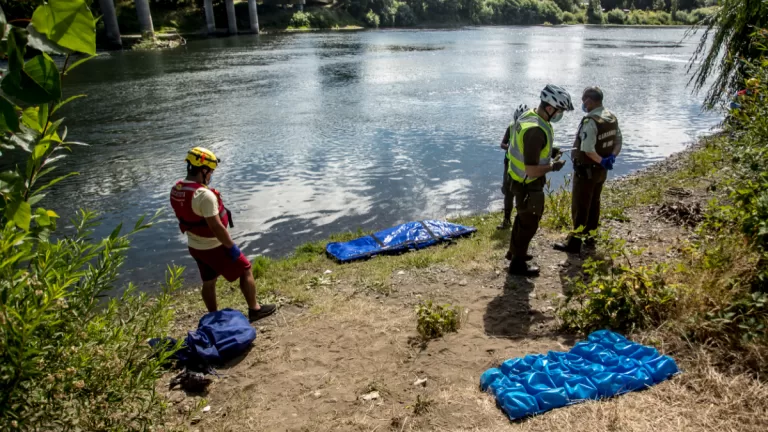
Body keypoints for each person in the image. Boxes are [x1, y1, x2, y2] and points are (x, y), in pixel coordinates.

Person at [170, 147, 276, 322]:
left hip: (194, 246)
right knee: (245, 269)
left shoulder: (177, 188)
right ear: (203, 170)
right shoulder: (204, 195)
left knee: (209, 280)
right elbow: (216, 227)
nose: (211, 175)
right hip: (214, 246)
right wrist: (231, 247)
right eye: (210, 171)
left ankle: (214, 316)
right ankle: (255, 309)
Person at [505, 84, 574, 277]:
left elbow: (525, 149)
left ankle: (514, 252)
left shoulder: (528, 116)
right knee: (529, 223)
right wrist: (553, 166)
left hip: (517, 179)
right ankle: (517, 265)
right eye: (560, 111)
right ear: (550, 108)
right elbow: (532, 168)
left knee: (521, 218)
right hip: (528, 183)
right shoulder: (535, 131)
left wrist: (550, 151)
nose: (560, 115)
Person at [553, 87, 622, 254]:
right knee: (594, 203)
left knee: (580, 206)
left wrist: (600, 160)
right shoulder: (611, 118)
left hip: (586, 172)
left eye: (584, 100)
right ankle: (590, 238)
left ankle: (574, 244)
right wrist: (610, 158)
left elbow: (588, 149)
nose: (583, 104)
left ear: (589, 101)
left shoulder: (591, 121)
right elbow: (618, 141)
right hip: (601, 172)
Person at [498, 104, 529, 230]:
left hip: (523, 166)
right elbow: (502, 144)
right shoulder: (511, 126)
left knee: (523, 192)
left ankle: (522, 220)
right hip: (509, 164)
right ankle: (506, 220)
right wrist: (511, 148)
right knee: (508, 192)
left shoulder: (530, 129)